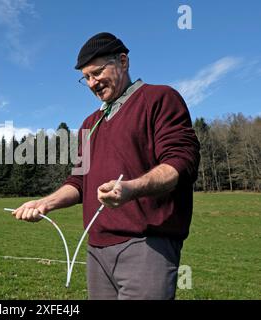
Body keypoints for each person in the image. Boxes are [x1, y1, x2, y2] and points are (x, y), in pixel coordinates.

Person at [12, 32, 200, 300]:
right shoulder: (90, 123)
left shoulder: (159, 98)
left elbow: (180, 163)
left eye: (97, 72)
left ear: (123, 61)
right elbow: (78, 182)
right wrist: (45, 203)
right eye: (86, 77)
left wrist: (130, 189)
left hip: (147, 244)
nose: (92, 83)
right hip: (96, 249)